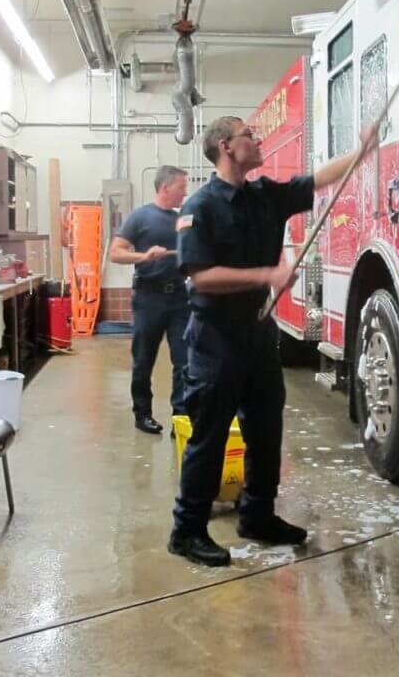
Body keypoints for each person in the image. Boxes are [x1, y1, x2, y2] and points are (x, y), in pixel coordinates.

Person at [168, 116, 366, 566]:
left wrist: (362, 151)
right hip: (215, 338)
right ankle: (187, 531)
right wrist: (268, 275)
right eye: (248, 136)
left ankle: (257, 514)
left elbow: (315, 180)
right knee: (210, 436)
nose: (257, 141)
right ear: (225, 147)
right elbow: (201, 278)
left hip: (258, 333)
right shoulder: (199, 208)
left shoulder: (265, 196)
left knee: (265, 429)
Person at [110, 165, 190, 435]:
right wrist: (143, 257)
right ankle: (142, 414)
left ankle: (181, 416)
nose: (185, 192)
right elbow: (115, 253)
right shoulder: (140, 217)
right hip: (149, 297)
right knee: (144, 359)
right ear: (165, 187)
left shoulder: (183, 219)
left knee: (184, 360)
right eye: (181, 187)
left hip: (180, 297)